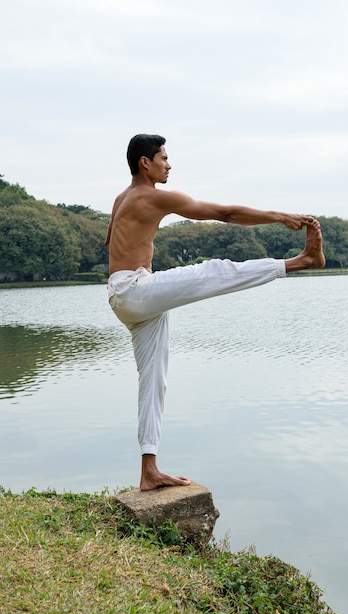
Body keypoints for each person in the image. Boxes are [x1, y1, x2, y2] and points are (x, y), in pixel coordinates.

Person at [105, 133, 325, 491]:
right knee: (215, 271)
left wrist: (139, 250)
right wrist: (279, 216)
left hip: (127, 294)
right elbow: (224, 213)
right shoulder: (151, 197)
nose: (169, 164)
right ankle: (301, 262)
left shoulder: (122, 199)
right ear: (145, 162)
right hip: (135, 290)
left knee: (154, 380)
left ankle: (149, 471)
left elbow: (110, 240)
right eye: (163, 158)